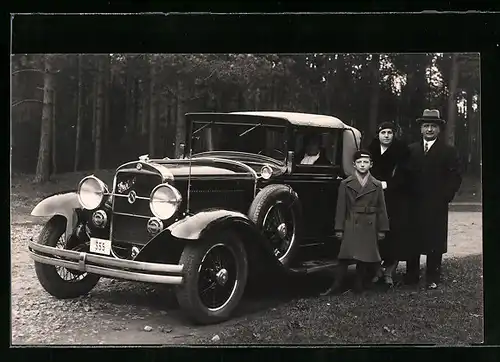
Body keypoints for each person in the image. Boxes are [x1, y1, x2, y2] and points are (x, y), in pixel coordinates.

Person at [404, 109, 462, 290]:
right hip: (414, 202)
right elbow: (404, 176)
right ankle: (411, 275)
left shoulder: (448, 151)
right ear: (421, 129)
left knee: (434, 240)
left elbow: (455, 177)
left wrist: (445, 196)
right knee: (412, 238)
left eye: (433, 126)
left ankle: (432, 277)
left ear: (439, 130)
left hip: (436, 203)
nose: (429, 129)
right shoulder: (411, 149)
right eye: (426, 126)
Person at [321, 150, 390, 295]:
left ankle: (358, 285)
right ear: (354, 165)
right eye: (359, 162)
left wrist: (382, 229)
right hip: (351, 222)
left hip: (369, 224)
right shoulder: (345, 184)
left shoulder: (376, 185)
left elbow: (381, 208)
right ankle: (336, 285)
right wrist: (339, 228)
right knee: (345, 256)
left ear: (371, 164)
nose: (362, 165)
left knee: (364, 257)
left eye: (366, 162)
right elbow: (341, 208)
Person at [367, 121, 410, 289]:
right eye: (383, 132)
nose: (386, 135)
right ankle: (377, 271)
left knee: (394, 234)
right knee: (374, 233)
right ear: (378, 134)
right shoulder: (370, 150)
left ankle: (389, 272)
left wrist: (388, 184)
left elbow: (405, 174)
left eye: (389, 133)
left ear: (393, 135)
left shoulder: (402, 151)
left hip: (395, 197)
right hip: (373, 195)